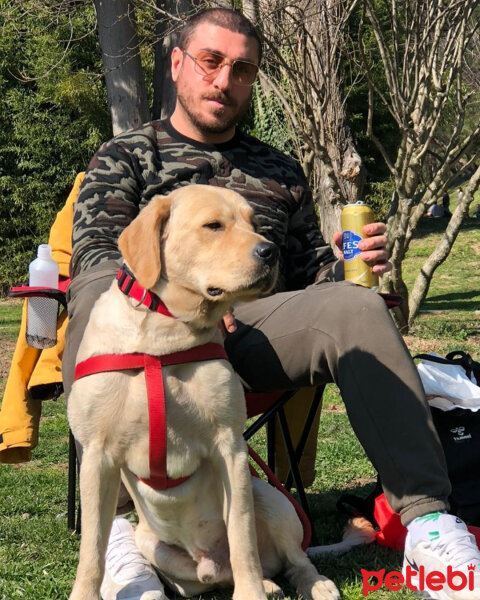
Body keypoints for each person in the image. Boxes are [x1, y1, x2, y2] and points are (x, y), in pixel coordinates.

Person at [64, 8, 480, 600]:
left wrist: (352, 264)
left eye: (242, 69)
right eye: (211, 61)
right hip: (145, 338)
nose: (224, 79)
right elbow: (100, 254)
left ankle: (428, 520)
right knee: (88, 299)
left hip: (253, 329)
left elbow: (313, 273)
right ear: (178, 63)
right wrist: (177, 311)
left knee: (355, 308)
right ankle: (118, 536)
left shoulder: (279, 169)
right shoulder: (129, 155)